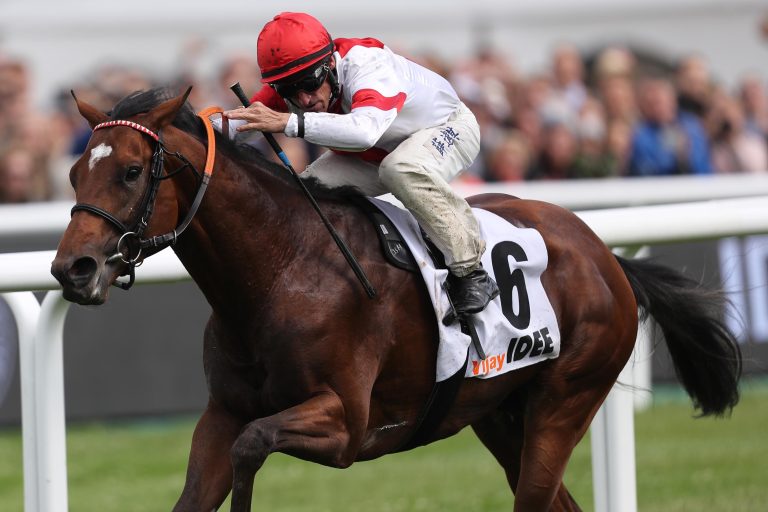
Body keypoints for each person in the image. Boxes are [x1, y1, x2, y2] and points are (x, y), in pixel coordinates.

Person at [224, 12, 498, 319]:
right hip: (378, 152)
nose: (304, 98)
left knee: (400, 169)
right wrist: (183, 129)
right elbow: (234, 124)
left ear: (329, 64)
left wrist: (287, 121)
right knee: (303, 190)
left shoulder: (367, 66)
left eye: (309, 83)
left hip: (446, 129)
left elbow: (364, 131)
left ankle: (471, 271)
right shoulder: (298, 82)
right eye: (289, 90)